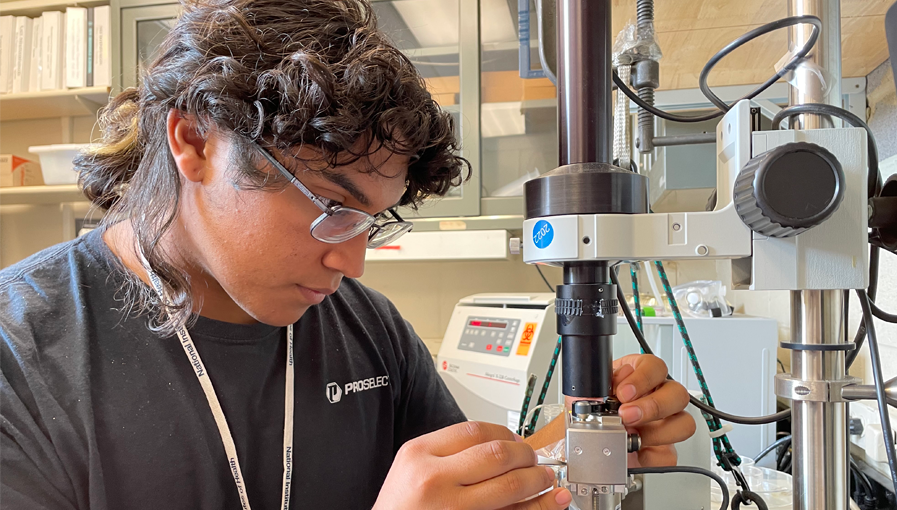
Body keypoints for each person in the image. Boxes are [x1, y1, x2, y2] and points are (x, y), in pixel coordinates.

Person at [0, 0, 695, 509]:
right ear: (196, 142)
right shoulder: (22, 353)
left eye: (372, 220)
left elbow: (466, 494)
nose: (353, 263)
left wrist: (566, 449)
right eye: (333, 207)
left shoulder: (371, 333)